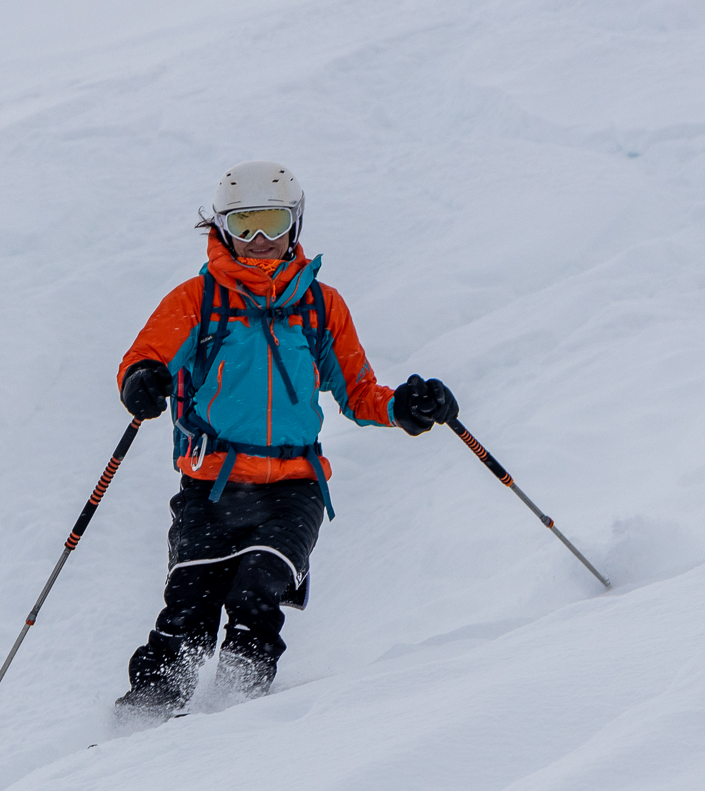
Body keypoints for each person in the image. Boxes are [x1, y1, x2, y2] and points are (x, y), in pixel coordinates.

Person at [113, 161, 457, 720]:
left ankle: (238, 716)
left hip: (293, 488)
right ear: (221, 228)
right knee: (189, 612)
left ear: (296, 223)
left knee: (256, 594)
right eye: (245, 225)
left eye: (273, 223)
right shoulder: (197, 300)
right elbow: (146, 356)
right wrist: (141, 381)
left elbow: (359, 392)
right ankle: (138, 722)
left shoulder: (322, 306)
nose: (260, 241)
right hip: (209, 488)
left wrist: (405, 407)